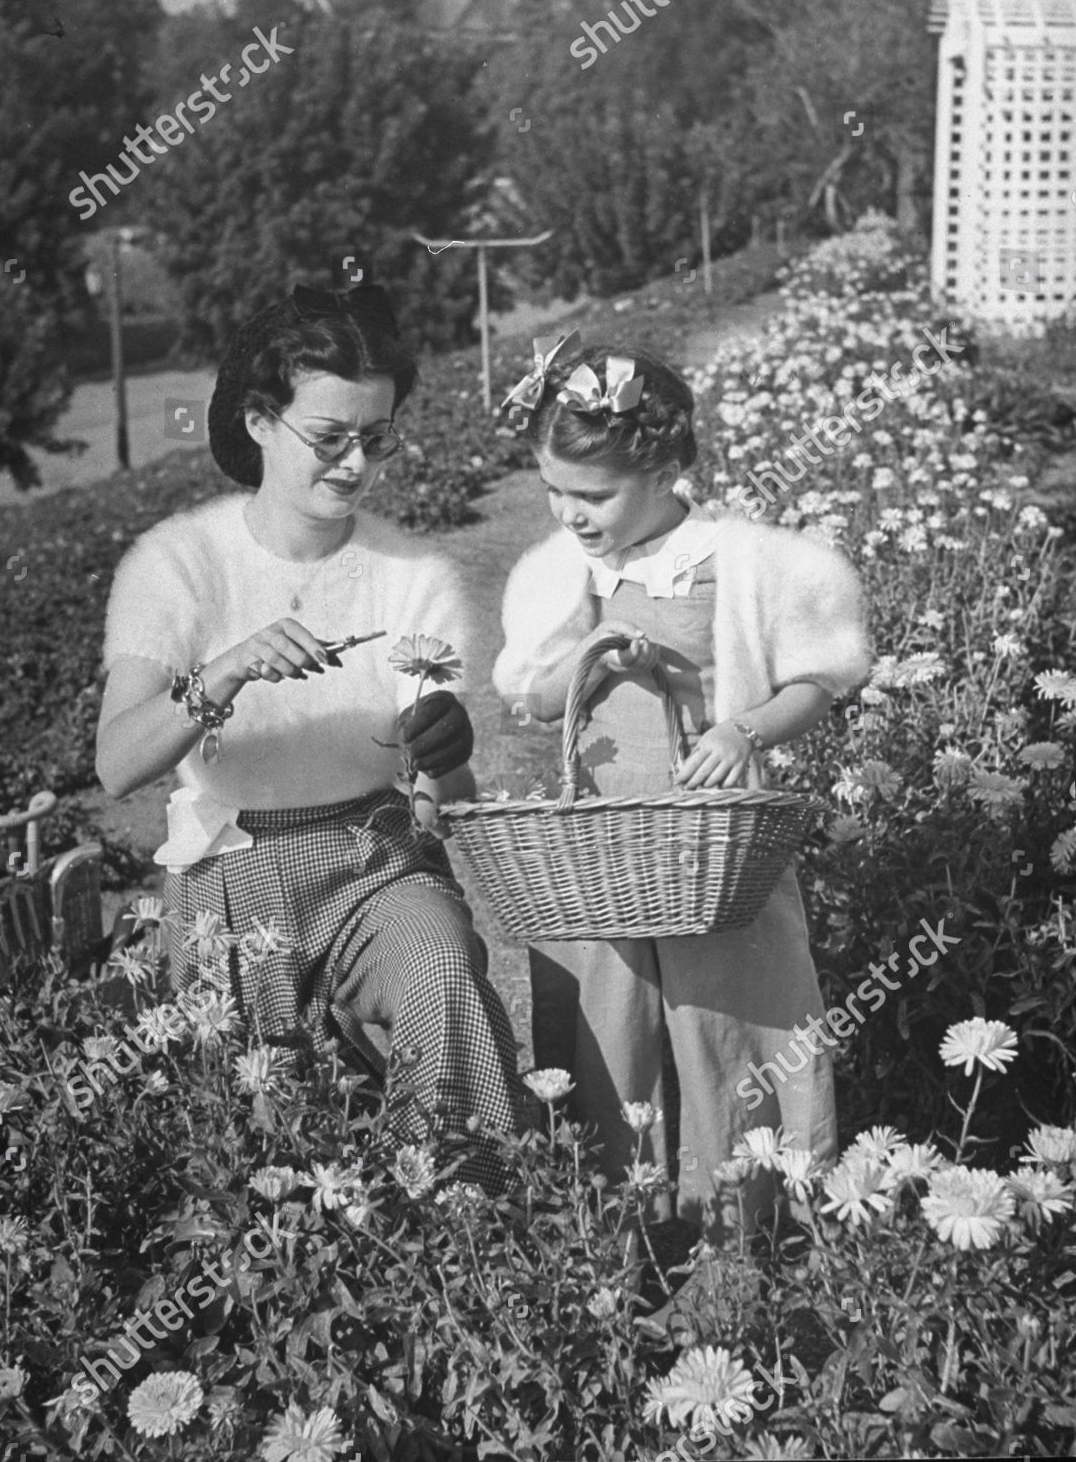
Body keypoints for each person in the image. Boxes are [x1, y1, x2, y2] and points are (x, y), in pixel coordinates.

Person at [95, 280, 523, 1190]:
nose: (355, 465)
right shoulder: (177, 565)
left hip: (376, 859)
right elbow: (117, 765)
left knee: (443, 977)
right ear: (258, 421)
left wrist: (448, 756)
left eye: (377, 438)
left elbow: (448, 804)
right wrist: (224, 672)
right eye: (330, 438)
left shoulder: (412, 574)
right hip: (230, 866)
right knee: (250, 1106)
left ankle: (467, 1235)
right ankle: (288, 1275)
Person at [492, 334, 871, 1237]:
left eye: (592, 496)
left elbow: (819, 677)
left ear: (664, 470)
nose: (569, 514)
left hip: (714, 838)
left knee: (729, 1015)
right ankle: (628, 1225)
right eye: (553, 491)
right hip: (604, 837)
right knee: (609, 1021)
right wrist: (589, 648)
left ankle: (747, 1220)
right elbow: (538, 698)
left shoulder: (735, 561)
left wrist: (743, 730)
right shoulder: (567, 574)